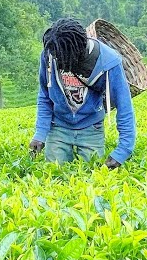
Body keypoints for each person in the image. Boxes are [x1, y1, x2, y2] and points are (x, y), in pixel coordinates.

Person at [29, 18, 136, 168]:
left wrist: (123, 151)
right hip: (58, 127)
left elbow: (124, 106)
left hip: (91, 129)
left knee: (90, 180)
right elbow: (45, 96)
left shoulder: (108, 61)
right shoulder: (51, 53)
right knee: (54, 178)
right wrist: (40, 133)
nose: (57, 60)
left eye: (62, 58)